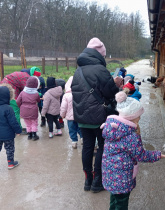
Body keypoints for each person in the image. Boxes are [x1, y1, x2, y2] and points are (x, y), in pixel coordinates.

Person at [101, 91, 165, 209]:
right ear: (132, 116)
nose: (140, 117)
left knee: (114, 198)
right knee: (122, 202)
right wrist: (157, 155)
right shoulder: (131, 136)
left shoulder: (111, 127)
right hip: (122, 177)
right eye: (139, 115)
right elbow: (141, 155)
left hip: (110, 174)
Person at [71, 37, 119, 193]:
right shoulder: (100, 70)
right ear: (99, 54)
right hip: (100, 117)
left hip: (82, 117)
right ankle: (98, 181)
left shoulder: (78, 71)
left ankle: (87, 180)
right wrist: (117, 84)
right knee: (103, 146)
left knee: (87, 148)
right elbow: (111, 92)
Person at [60, 76, 83, 149]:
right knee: (80, 128)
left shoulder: (66, 95)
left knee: (72, 129)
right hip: (79, 116)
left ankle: (74, 142)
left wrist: (62, 115)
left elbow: (63, 107)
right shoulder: (81, 93)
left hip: (70, 118)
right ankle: (83, 138)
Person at [16, 76, 41, 140]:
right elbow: (38, 100)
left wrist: (21, 107)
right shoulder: (36, 93)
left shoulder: (22, 92)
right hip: (33, 109)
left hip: (24, 110)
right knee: (34, 122)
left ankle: (29, 135)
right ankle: (34, 135)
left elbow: (18, 101)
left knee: (27, 123)